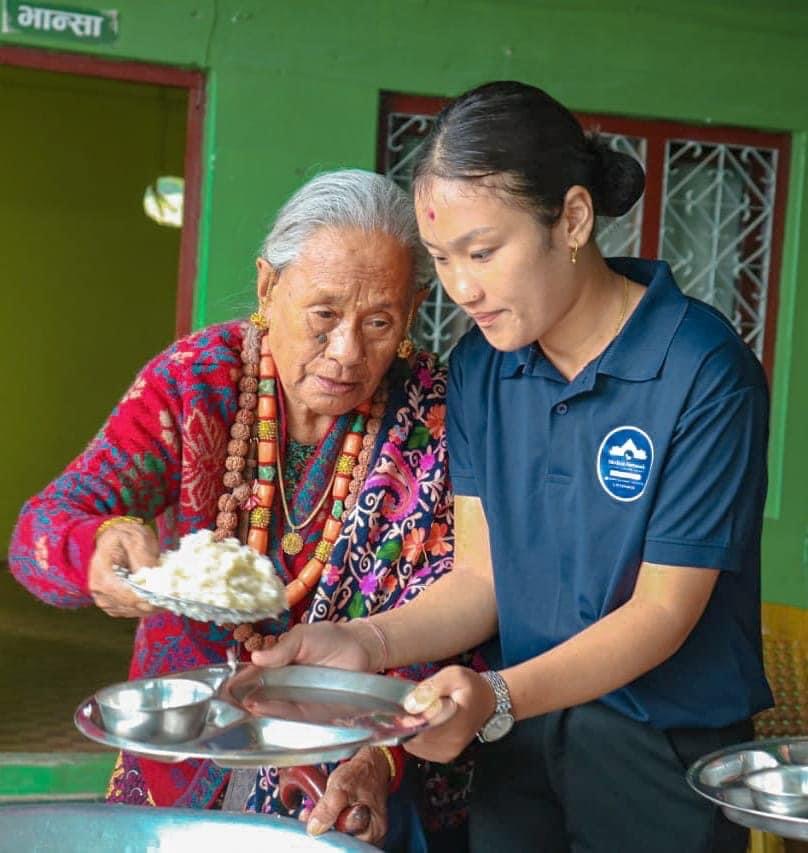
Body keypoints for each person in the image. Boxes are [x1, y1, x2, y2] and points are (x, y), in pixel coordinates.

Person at [251, 82, 773, 852]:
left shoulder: (701, 370)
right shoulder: (483, 372)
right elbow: (482, 582)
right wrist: (363, 642)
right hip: (520, 743)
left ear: (571, 219)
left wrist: (494, 695)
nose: (463, 289)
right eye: (442, 260)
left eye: (483, 252)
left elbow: (663, 610)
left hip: (659, 751)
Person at [8, 169, 472, 850]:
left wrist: (380, 760)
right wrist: (99, 544)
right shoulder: (200, 380)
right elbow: (39, 533)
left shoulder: (433, 416)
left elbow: (446, 617)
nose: (347, 352)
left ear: (412, 312)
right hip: (181, 750)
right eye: (323, 314)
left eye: (379, 322)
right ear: (267, 287)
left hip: (350, 766)